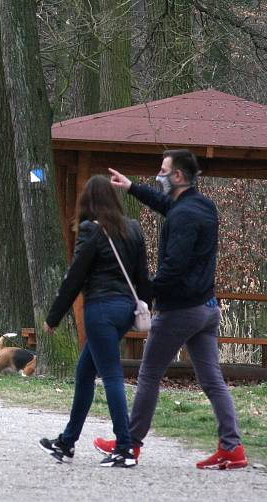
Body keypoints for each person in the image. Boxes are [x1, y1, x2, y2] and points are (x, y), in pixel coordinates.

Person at [94, 150, 249, 469]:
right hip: (207, 308)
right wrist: (132, 187)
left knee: (149, 374)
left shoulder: (184, 215)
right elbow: (169, 206)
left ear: (177, 176)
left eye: (163, 171)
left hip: (180, 310)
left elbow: (173, 268)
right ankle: (232, 447)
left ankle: (129, 444)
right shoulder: (201, 205)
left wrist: (143, 294)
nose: (159, 175)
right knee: (213, 380)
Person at [38, 176, 151, 468]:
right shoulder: (134, 230)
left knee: (111, 375)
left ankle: (125, 447)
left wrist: (54, 316)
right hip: (126, 310)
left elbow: (75, 276)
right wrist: (147, 307)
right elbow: (143, 279)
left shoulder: (91, 231)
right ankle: (67, 442)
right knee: (84, 371)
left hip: (100, 309)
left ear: (88, 201)